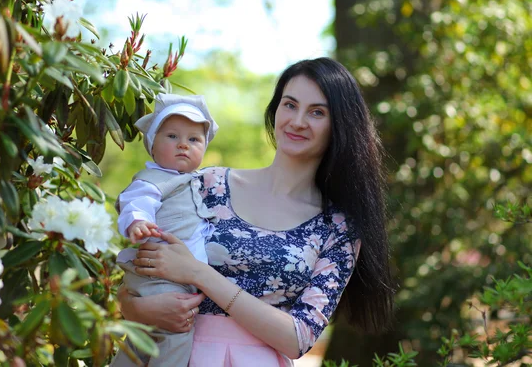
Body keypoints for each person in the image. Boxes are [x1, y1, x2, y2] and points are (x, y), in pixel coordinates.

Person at [116, 58, 394, 366]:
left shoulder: (338, 228)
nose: (298, 121)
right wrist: (136, 309)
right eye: (290, 105)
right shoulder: (205, 184)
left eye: (317, 112)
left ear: (339, 124)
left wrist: (198, 274)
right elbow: (139, 273)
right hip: (169, 353)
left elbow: (298, 338)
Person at [111, 93, 219, 367]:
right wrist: (138, 223)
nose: (183, 144)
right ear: (153, 146)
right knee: (176, 334)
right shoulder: (153, 179)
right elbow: (135, 202)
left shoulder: (193, 183)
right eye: (172, 136)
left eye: (194, 139)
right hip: (158, 276)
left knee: (142, 339)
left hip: (173, 277)